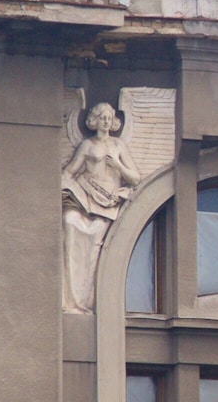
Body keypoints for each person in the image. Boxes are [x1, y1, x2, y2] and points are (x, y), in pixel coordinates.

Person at [63, 103, 140, 314]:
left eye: (109, 118)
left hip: (108, 204)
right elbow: (70, 172)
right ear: (95, 120)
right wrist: (70, 188)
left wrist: (118, 166)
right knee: (69, 222)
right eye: (102, 117)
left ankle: (87, 300)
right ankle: (72, 300)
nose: (106, 121)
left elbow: (135, 178)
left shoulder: (118, 146)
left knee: (96, 235)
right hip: (86, 198)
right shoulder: (86, 146)